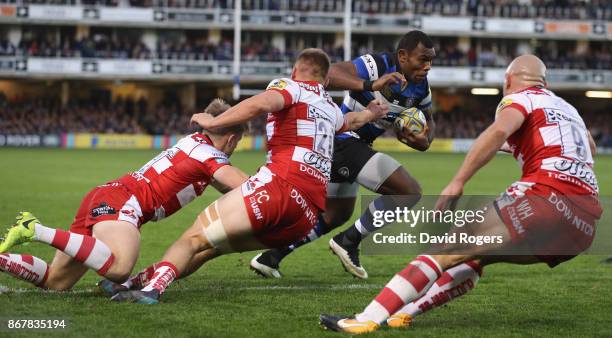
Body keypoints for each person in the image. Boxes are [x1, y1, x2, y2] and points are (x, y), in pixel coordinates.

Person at [319, 54, 602, 334]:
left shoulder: (519, 98)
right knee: (476, 256)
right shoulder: (568, 109)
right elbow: (587, 149)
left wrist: (458, 182)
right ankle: (403, 314)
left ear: (508, 80)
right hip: (584, 224)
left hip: (544, 200)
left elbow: (498, 132)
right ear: (544, 81)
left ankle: (365, 319)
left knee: (444, 249)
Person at [109, 48, 389, 304]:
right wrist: (370, 113)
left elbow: (261, 103)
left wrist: (214, 121)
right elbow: (348, 122)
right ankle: (136, 282)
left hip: (280, 185)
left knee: (192, 239)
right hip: (308, 214)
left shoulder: (289, 86)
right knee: (210, 248)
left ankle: (150, 291)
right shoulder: (329, 106)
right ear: (326, 80)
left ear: (295, 71)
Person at [0, 99, 249, 291]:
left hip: (108, 195)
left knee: (56, 282)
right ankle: (34, 229)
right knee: (120, 268)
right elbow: (248, 186)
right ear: (231, 139)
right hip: (124, 203)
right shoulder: (210, 157)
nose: (234, 149)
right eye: (236, 143)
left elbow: (224, 185)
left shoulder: (193, 144)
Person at [251, 30, 436, 279]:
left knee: (336, 214)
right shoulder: (379, 64)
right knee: (409, 191)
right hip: (344, 139)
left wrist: (424, 141)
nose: (427, 66)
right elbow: (332, 74)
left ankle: (271, 257)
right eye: (422, 59)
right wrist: (371, 84)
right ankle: (349, 241)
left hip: (351, 145)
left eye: (431, 60)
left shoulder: (421, 86)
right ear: (402, 56)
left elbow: (430, 119)